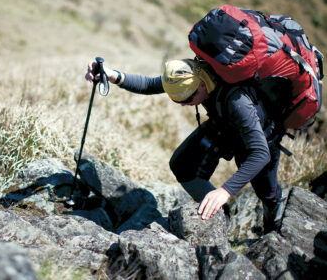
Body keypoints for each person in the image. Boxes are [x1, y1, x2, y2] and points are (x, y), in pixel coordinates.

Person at [85, 58, 286, 234]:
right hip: (222, 123)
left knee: (267, 192)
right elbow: (149, 84)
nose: (183, 104)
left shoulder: (237, 101)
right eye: (177, 100)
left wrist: (224, 191)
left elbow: (260, 154)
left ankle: (273, 229)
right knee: (183, 164)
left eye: (188, 99)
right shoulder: (188, 73)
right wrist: (111, 75)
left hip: (260, 137)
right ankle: (220, 217)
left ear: (202, 85)